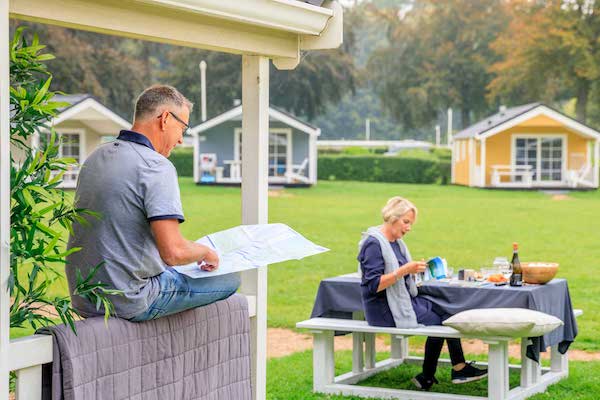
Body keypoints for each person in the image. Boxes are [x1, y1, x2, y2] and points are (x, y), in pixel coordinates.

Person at [65, 84, 240, 322]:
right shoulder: (155, 166)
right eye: (183, 128)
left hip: (84, 297)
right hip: (129, 299)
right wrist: (206, 252)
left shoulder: (96, 157)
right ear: (165, 119)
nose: (180, 139)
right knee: (231, 279)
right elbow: (174, 252)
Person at [357, 196, 487, 390]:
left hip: (401, 301)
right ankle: (447, 371)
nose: (409, 228)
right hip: (384, 310)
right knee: (444, 319)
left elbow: (399, 277)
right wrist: (405, 270)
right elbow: (373, 286)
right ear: (393, 217)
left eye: (410, 223)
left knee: (447, 309)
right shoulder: (373, 244)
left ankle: (434, 374)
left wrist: (417, 272)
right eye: (406, 222)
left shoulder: (396, 242)